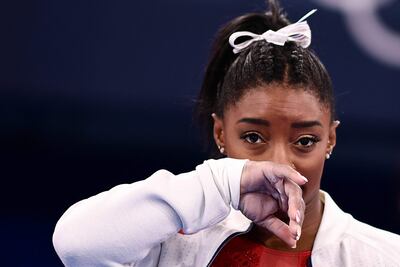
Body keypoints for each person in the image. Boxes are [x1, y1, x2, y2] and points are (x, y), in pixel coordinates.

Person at [52, 1, 400, 266]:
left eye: (305, 141)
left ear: (331, 140)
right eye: (253, 138)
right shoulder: (172, 240)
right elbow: (75, 244)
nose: (279, 163)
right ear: (220, 133)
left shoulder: (384, 256)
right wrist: (219, 184)